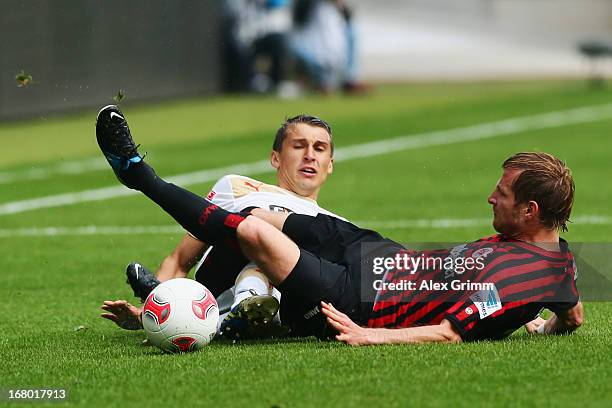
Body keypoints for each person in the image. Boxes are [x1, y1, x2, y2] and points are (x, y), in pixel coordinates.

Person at [96, 105, 583, 344]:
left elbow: (448, 332)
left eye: (502, 194)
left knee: (254, 236)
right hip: (379, 254)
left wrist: (370, 335)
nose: (490, 197)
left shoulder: (522, 272)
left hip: (362, 299)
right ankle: (172, 306)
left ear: (530, 212)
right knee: (262, 214)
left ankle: (138, 175)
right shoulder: (553, 263)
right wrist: (545, 324)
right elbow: (574, 313)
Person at [100, 112, 343, 339]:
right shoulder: (237, 187)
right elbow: (180, 259)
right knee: (258, 230)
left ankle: (211, 320)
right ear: (275, 157)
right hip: (218, 286)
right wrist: (147, 312)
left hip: (292, 304)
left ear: (329, 164)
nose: (310, 155)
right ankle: (236, 309)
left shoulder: (335, 225)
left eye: (319, 149)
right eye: (299, 146)